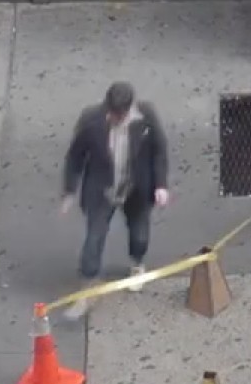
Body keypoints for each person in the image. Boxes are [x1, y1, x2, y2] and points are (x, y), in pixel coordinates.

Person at [58, 81, 170, 319]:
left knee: (139, 233)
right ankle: (87, 288)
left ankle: (137, 262)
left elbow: (160, 150)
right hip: (102, 191)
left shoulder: (146, 116)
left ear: (130, 109)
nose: (115, 118)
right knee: (93, 238)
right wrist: (70, 190)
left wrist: (160, 185)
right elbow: (75, 156)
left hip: (136, 188)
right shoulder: (90, 119)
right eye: (111, 112)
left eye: (120, 114)